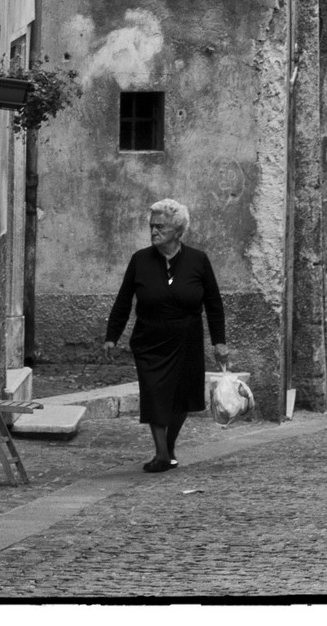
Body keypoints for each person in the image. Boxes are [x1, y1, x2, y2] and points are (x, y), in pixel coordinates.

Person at [103, 198, 230, 472]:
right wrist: (112, 336)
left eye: (160, 227)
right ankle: (161, 454)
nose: (153, 232)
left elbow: (214, 303)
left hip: (187, 339)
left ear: (178, 230)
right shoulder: (140, 260)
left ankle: (168, 445)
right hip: (150, 340)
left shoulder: (198, 260)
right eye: (151, 227)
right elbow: (124, 301)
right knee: (155, 394)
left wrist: (219, 342)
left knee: (182, 398)